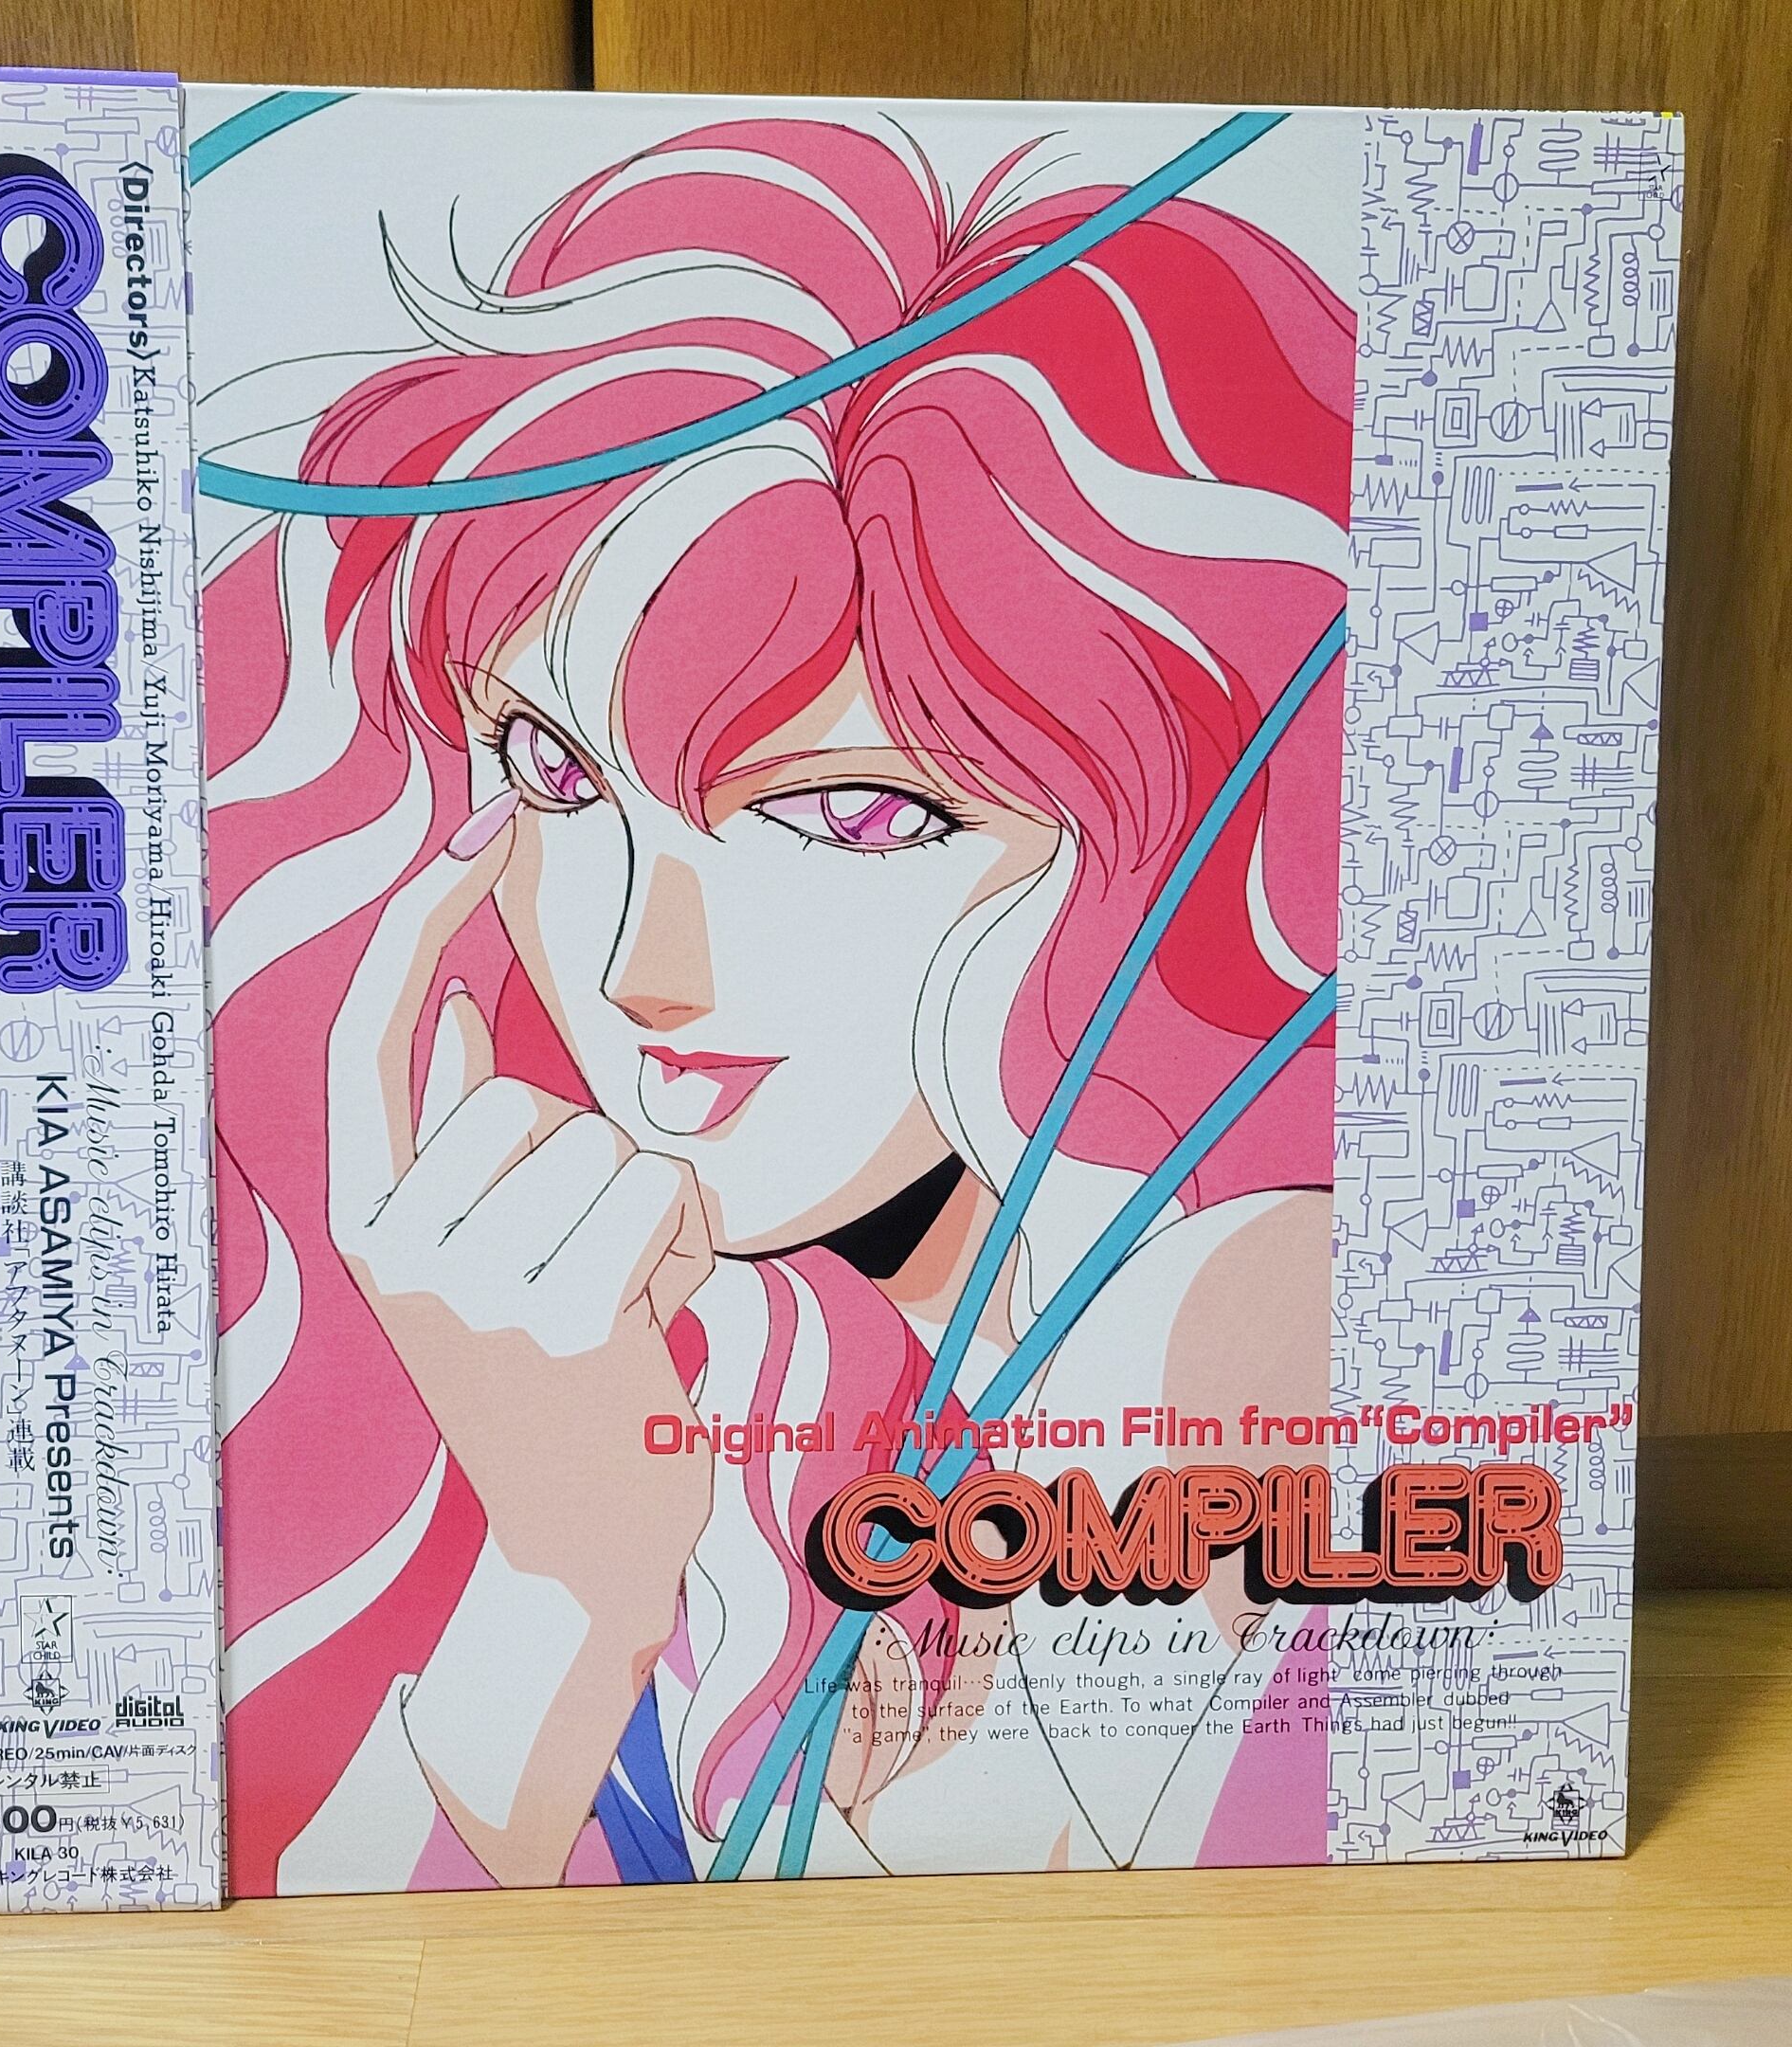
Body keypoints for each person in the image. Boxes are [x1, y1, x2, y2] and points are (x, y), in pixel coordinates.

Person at [203, 114, 1351, 1893]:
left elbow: (1048, 1947)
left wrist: (573, 1568)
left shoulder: (1230, 1301)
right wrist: (568, 1556)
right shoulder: (723, 1339)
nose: (642, 967)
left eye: (856, 815)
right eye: (558, 772)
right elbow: (397, 1958)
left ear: (1165, 833)